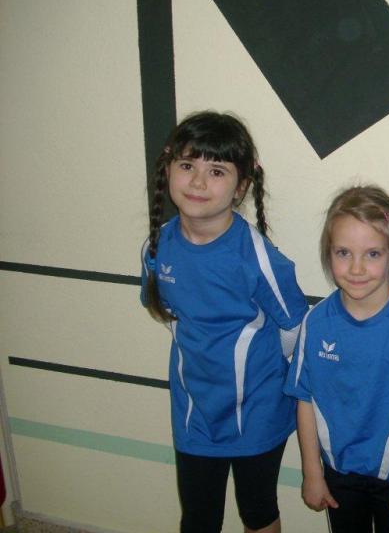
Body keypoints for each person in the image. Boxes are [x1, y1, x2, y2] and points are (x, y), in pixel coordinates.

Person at [140, 111, 308, 533]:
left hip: (257, 412)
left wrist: (262, 375)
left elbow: (294, 328)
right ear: (168, 168)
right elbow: (169, 313)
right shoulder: (158, 246)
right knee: (198, 517)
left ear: (242, 186)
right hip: (194, 412)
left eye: (216, 171)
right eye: (187, 165)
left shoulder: (257, 256)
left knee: (258, 511)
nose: (198, 182)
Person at [284, 185, 389, 533]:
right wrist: (312, 473)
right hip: (337, 474)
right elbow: (305, 400)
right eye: (343, 252)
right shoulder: (317, 322)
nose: (356, 268)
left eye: (372, 253)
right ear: (328, 252)